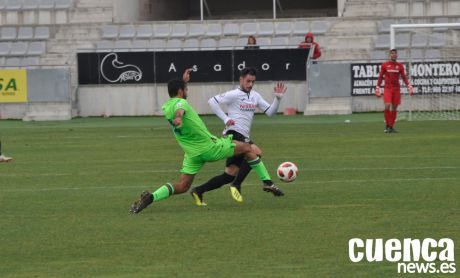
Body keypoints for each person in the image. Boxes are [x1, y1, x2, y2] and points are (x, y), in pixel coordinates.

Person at [130, 69, 283, 214]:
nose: (187, 92)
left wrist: (184, 82)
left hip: (191, 154)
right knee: (249, 149)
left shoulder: (166, 106)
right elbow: (180, 109)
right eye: (186, 90)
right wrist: (179, 117)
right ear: (181, 91)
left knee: (183, 186)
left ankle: (151, 197)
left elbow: (177, 101)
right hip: (208, 148)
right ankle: (267, 182)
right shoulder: (180, 104)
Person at [190, 67, 286, 206]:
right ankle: (264, 183)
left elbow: (270, 112)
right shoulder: (234, 94)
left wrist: (277, 99)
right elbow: (212, 101)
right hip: (233, 133)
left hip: (243, 135)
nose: (250, 84)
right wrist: (225, 119)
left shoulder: (255, 96)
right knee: (255, 152)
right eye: (248, 81)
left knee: (228, 175)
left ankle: (198, 190)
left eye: (253, 82)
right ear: (241, 79)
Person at [375, 48, 413, 133]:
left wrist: (409, 86)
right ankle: (387, 125)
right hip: (388, 88)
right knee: (387, 105)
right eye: (392, 53)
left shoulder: (400, 66)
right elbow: (381, 77)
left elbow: (404, 77)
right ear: (390, 55)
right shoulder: (385, 65)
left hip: (396, 89)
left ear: (397, 55)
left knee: (395, 108)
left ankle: (390, 127)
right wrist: (377, 87)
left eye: (395, 53)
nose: (394, 55)